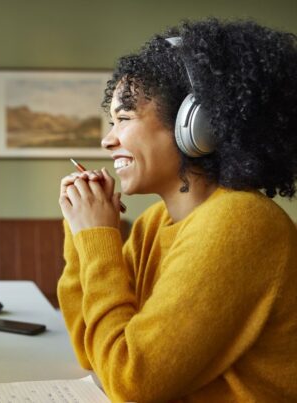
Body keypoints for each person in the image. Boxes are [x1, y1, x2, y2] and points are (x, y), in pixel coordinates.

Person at [57, 19, 297, 402]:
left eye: (124, 119)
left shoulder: (240, 222)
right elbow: (93, 351)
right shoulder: (157, 222)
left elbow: (131, 381)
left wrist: (98, 238)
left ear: (196, 125)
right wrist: (81, 234)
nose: (107, 139)